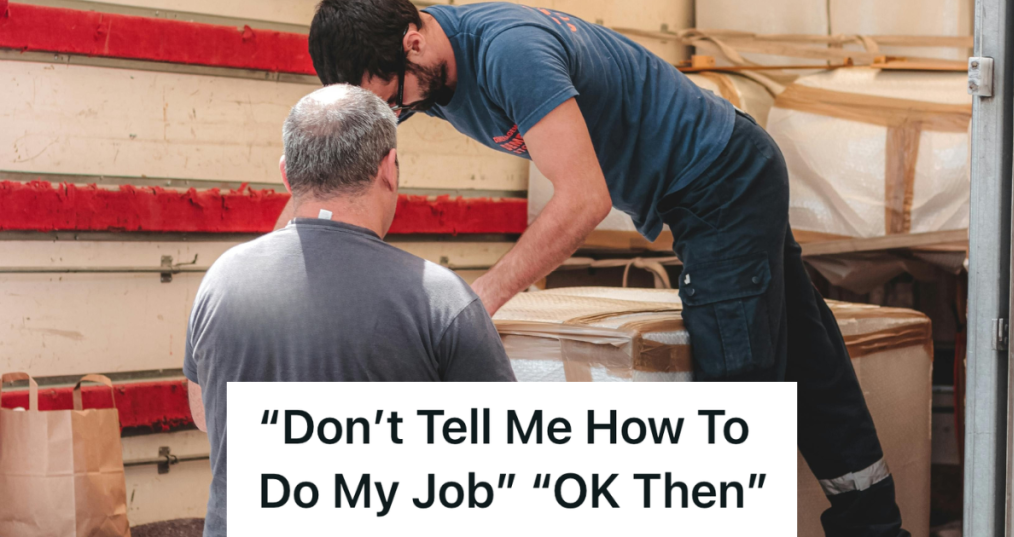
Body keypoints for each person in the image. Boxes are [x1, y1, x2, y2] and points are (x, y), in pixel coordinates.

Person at [301, 2, 910, 535]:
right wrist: (288, 257)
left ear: (414, 40)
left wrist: (479, 297)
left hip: (723, 181)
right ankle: (874, 526)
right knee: (810, 358)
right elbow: (339, 173)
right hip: (711, 182)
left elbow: (583, 199)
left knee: (736, 388)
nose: (400, 114)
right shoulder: (421, 78)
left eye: (394, 100)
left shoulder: (509, 52)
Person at [185, 83, 516, 537]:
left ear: (287, 175)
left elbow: (204, 414)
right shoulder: (439, 299)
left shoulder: (221, 280)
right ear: (389, 169)